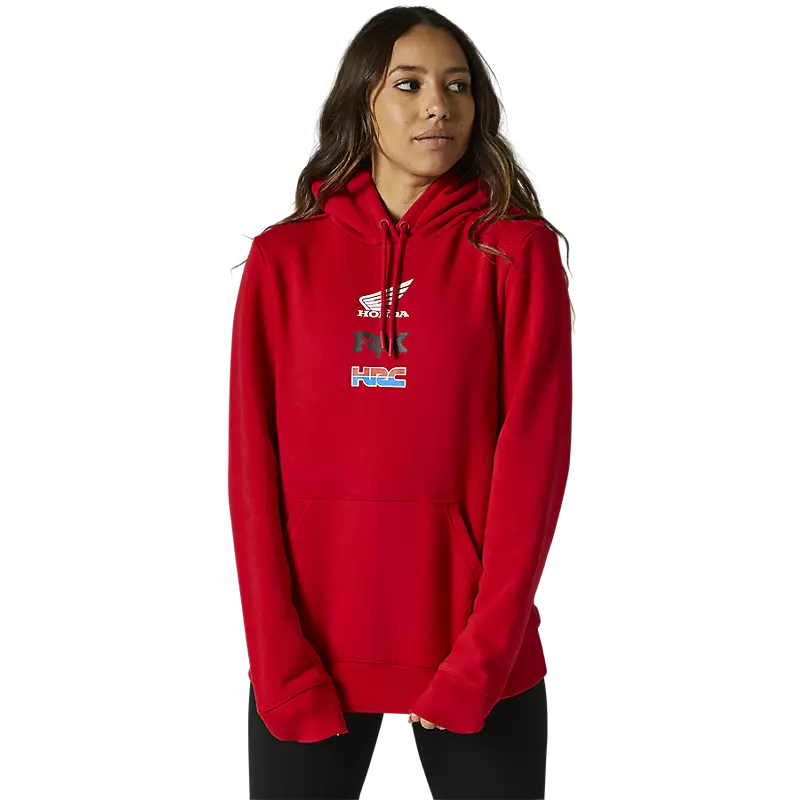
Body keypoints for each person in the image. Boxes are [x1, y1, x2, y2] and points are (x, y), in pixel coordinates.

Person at [227, 6, 576, 799]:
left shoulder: (513, 252)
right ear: (364, 101)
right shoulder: (282, 260)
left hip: (478, 658)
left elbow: (535, 465)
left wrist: (480, 662)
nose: (438, 107)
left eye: (458, 86)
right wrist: (278, 658)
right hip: (308, 658)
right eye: (409, 85)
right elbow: (251, 469)